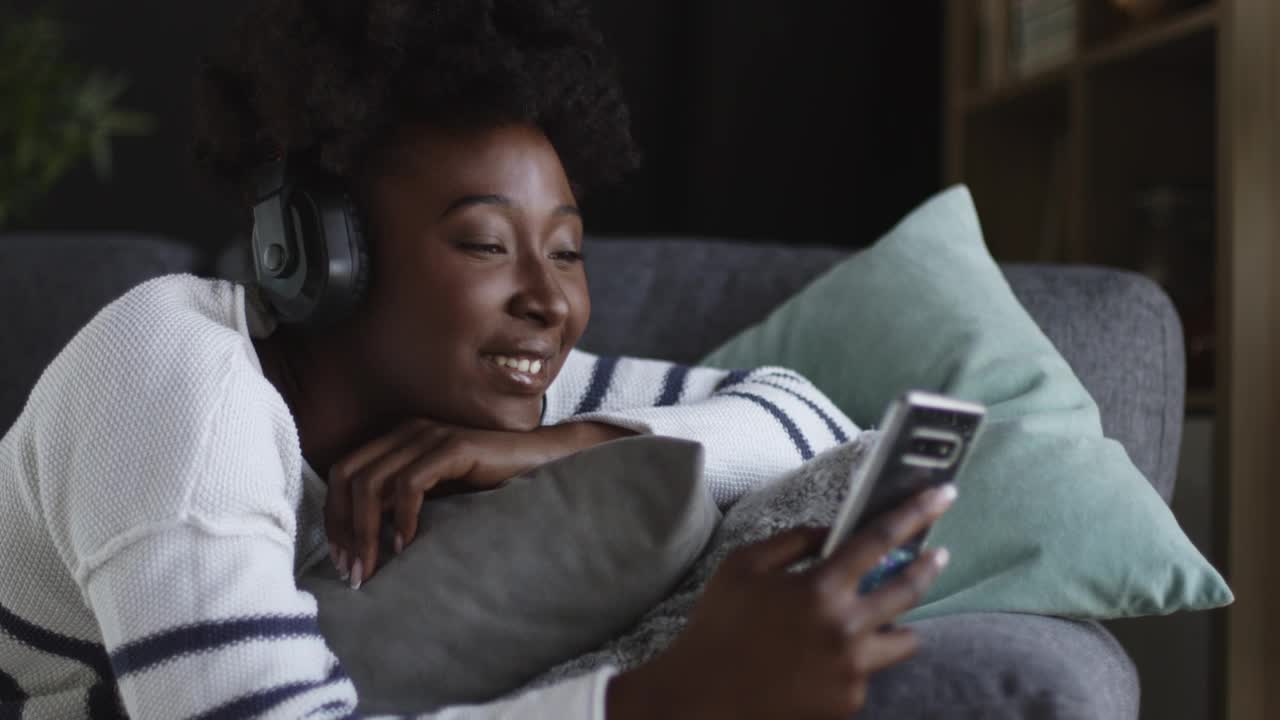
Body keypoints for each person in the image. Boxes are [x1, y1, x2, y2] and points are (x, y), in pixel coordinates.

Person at [0, 1, 955, 718]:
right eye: (487, 245)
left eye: (569, 250)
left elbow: (816, 424)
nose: (550, 300)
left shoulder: (484, 388)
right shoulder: (179, 383)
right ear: (323, 259)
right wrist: (666, 700)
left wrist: (568, 444)